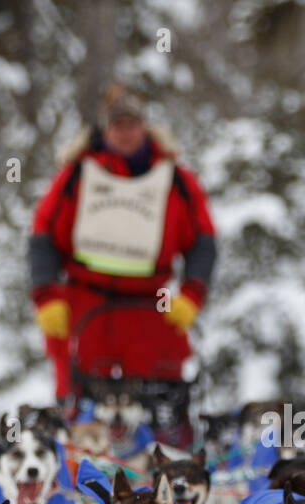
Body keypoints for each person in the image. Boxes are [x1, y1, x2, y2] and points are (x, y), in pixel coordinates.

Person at [28, 83, 216, 448]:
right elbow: (43, 235)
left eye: (132, 124)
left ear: (144, 126)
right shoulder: (77, 175)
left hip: (153, 303)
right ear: (105, 129)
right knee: (81, 400)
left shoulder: (176, 178)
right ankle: (81, 468)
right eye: (118, 125)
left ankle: (170, 465)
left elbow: (202, 242)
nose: (125, 133)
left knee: (165, 400)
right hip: (86, 302)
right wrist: (46, 294)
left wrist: (192, 293)